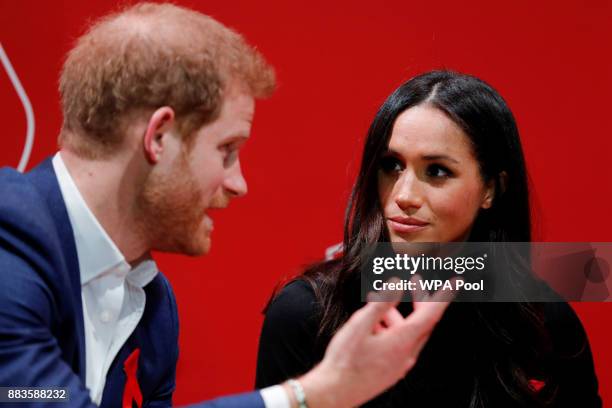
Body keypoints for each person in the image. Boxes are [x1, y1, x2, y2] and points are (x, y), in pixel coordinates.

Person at [0, 4, 455, 408]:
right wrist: (312, 394)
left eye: (438, 170)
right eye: (227, 149)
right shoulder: (9, 242)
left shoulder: (149, 301)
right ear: (159, 137)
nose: (239, 184)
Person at [255, 71, 602, 407]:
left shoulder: (543, 321)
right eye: (391, 165)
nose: (404, 194)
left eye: (437, 171)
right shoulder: (308, 313)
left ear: (492, 189)